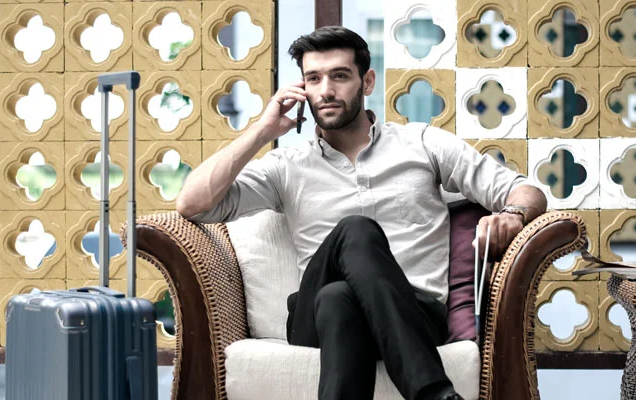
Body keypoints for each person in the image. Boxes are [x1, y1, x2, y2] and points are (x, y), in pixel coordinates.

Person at [176, 26, 547, 400]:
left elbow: (526, 192)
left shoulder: (422, 144)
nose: (326, 90)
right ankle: (432, 390)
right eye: (313, 79)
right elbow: (192, 204)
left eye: (339, 76)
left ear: (367, 81)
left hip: (415, 313)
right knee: (354, 233)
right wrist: (262, 130)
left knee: (341, 298)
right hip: (311, 320)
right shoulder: (285, 166)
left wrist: (513, 213)